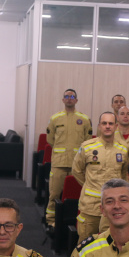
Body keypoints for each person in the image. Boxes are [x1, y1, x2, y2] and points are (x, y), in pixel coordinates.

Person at [71, 111, 129, 242]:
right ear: (99, 126)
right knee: (85, 244)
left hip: (114, 207)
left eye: (110, 123)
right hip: (91, 206)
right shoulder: (87, 147)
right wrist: (89, 185)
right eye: (104, 123)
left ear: (116, 126)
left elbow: (124, 175)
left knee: (110, 244)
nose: (107, 126)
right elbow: (76, 170)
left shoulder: (123, 149)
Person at [44, 89, 92, 229]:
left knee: (76, 195)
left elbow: (87, 141)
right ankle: (51, 221)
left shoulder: (84, 119)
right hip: (59, 163)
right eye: (66, 96)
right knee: (54, 194)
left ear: (76, 100)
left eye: (72, 96)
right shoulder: (55, 118)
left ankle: (72, 220)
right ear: (63, 100)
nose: (69, 98)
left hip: (77, 165)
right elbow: (50, 139)